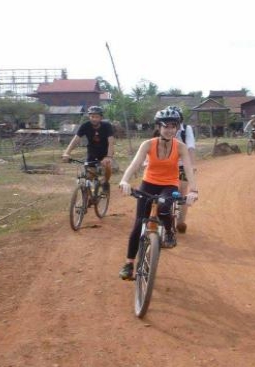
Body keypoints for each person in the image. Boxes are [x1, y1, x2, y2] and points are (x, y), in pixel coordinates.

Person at [118, 108, 199, 280]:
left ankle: (169, 232)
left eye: (173, 126)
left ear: (177, 127)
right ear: (159, 127)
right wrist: (125, 180)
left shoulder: (181, 147)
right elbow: (135, 164)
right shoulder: (148, 144)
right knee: (139, 224)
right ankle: (129, 263)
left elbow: (189, 169)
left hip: (169, 185)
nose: (169, 130)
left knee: (163, 206)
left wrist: (193, 190)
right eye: (165, 126)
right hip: (148, 184)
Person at [62, 106, 114, 191]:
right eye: (92, 116)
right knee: (89, 175)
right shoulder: (85, 126)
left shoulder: (107, 126)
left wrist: (109, 156)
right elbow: (75, 140)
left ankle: (105, 182)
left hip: (105, 151)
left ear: (101, 117)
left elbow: (111, 142)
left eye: (96, 117)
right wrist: (67, 153)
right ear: (89, 117)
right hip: (92, 152)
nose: (94, 119)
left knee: (107, 166)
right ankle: (88, 198)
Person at [167, 105, 196, 234]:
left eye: (176, 120)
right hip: (167, 164)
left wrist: (192, 164)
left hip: (183, 163)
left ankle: (181, 221)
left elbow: (190, 146)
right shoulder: (165, 129)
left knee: (182, 189)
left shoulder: (186, 130)